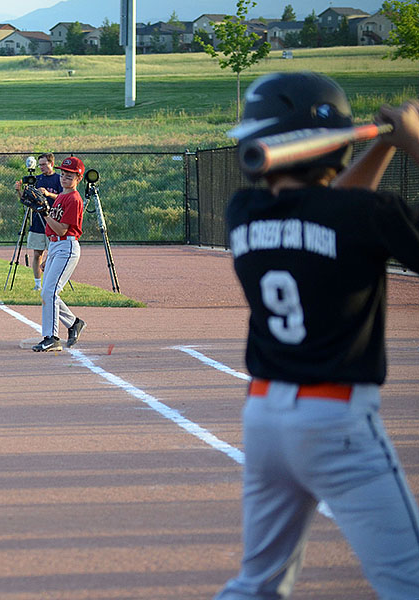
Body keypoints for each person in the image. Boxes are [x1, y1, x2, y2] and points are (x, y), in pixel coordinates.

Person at [216, 71, 419, 599]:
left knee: (256, 585)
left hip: (264, 418)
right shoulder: (370, 216)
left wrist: (382, 151)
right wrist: (414, 142)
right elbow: (339, 216)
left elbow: (328, 214)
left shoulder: (243, 212)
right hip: (337, 422)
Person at [32, 156, 87, 352]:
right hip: (56, 247)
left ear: (78, 178)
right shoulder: (62, 197)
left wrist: (44, 212)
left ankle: (52, 337)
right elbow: (53, 233)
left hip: (67, 247)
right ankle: (73, 323)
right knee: (47, 292)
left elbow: (62, 230)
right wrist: (48, 255)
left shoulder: (74, 199)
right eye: (63, 174)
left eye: (70, 175)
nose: (64, 177)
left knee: (50, 292)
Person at [15, 153, 62, 290]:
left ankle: (53, 283)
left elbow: (63, 197)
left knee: (53, 253)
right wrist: (19, 192)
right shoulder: (36, 179)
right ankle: (37, 284)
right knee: (37, 253)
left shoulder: (59, 179)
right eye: (39, 165)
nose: (41, 167)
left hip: (53, 220)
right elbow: (27, 201)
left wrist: (47, 194)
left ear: (51, 164)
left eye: (44, 164)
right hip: (37, 220)